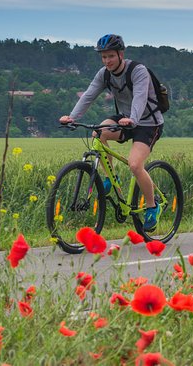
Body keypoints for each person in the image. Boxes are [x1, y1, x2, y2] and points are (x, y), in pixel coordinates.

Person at [59, 34, 164, 231]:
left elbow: (140, 98)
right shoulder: (104, 74)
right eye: (103, 57)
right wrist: (72, 117)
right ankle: (110, 178)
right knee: (99, 133)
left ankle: (152, 206)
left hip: (148, 122)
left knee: (135, 165)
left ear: (120, 54)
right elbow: (88, 96)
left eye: (110, 56)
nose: (107, 61)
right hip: (125, 118)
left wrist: (133, 119)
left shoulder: (138, 71)